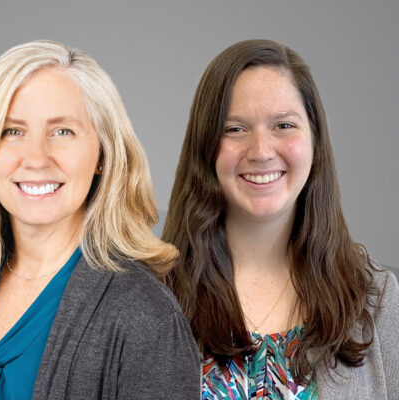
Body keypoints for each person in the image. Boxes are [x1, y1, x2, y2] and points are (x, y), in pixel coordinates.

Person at [0, 40, 201, 400]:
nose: (36, 158)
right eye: (12, 131)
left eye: (62, 131)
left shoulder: (145, 317)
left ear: (104, 154)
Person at [162, 39, 399, 399]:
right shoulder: (152, 297)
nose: (260, 151)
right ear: (205, 147)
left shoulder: (377, 299)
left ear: (315, 140)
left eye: (284, 125)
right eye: (235, 129)